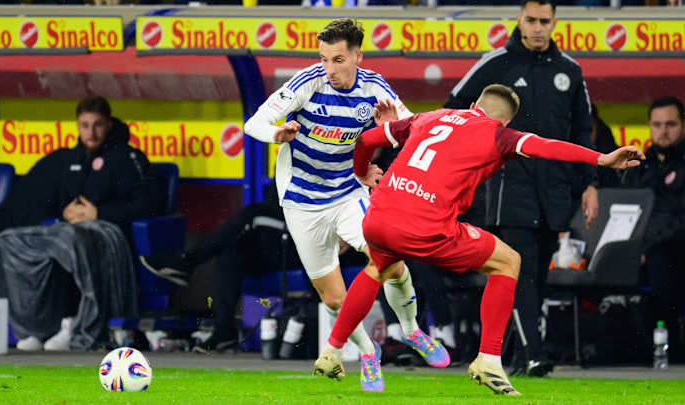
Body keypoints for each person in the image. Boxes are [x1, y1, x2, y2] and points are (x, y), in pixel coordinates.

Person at [313, 84, 643, 395]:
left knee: (377, 269)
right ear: (506, 121)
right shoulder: (498, 133)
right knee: (508, 261)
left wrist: (361, 171)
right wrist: (601, 158)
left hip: (380, 216)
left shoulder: (430, 117)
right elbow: (546, 146)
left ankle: (332, 350)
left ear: (473, 105)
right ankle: (489, 359)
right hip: (426, 224)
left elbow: (365, 139)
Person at [243, 18, 448, 392]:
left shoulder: (375, 88)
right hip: (302, 200)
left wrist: (392, 131)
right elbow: (253, 123)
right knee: (334, 298)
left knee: (391, 261)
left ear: (358, 57)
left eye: (338, 60)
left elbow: (414, 131)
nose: (329, 69)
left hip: (348, 193)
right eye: (324, 59)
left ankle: (411, 330)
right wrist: (276, 133)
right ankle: (369, 353)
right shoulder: (307, 83)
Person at [442, 0, 598, 376]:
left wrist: (590, 184)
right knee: (520, 270)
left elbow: (583, 131)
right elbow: (453, 108)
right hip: (508, 184)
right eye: (531, 20)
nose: (538, 27)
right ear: (519, 20)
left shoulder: (570, 70)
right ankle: (533, 353)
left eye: (545, 20)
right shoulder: (496, 62)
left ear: (555, 22)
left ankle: (513, 355)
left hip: (554, 189)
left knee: (538, 275)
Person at [0, 96, 158, 351]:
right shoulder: (67, 159)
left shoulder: (127, 157)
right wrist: (63, 211)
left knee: (73, 240)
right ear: (77, 126)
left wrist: (99, 213)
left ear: (109, 124)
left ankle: (76, 324)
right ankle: (34, 328)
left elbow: (147, 204)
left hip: (109, 233)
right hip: (68, 230)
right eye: (85, 125)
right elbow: (37, 197)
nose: (91, 132)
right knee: (10, 240)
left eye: (97, 125)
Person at [139, 182, 303, 351]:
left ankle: (186, 262)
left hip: (303, 248)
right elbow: (273, 198)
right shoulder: (290, 165)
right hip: (278, 239)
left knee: (252, 212)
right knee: (230, 254)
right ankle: (224, 331)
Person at [620, 97, 685, 362]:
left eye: (670, 124)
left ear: (683, 126)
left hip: (672, 249)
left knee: (661, 262)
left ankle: (670, 349)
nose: (663, 131)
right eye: (657, 125)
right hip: (639, 249)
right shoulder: (639, 166)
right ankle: (622, 348)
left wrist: (647, 248)